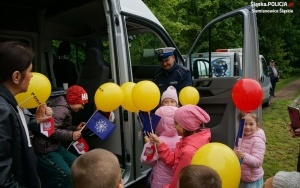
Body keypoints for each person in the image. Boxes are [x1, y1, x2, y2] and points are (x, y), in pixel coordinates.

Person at [0, 41, 52, 187]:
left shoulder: (11, 103)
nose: (32, 76)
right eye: (30, 71)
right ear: (16, 76)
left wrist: (36, 121)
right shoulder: (3, 109)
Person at [32, 84, 88, 188]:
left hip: (54, 146)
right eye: (82, 103)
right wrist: (71, 135)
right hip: (45, 149)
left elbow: (61, 127)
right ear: (74, 100)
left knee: (77, 164)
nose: (83, 107)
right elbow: (51, 131)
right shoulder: (61, 110)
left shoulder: (66, 107)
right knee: (66, 174)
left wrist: (75, 128)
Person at [149, 104, 211, 188]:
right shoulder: (193, 140)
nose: (174, 126)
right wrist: (160, 144)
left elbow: (180, 181)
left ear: (186, 126)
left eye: (176, 123)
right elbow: (174, 160)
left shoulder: (188, 151)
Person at [141, 106, 181, 188]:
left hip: (160, 182)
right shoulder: (182, 138)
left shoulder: (156, 141)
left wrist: (148, 145)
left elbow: (146, 160)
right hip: (175, 182)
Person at [234, 112, 266, 188]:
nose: (247, 127)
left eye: (251, 124)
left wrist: (243, 156)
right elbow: (235, 150)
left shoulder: (257, 140)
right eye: (244, 124)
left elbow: (258, 162)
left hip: (253, 180)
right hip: (241, 177)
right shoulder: (239, 137)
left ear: (257, 126)